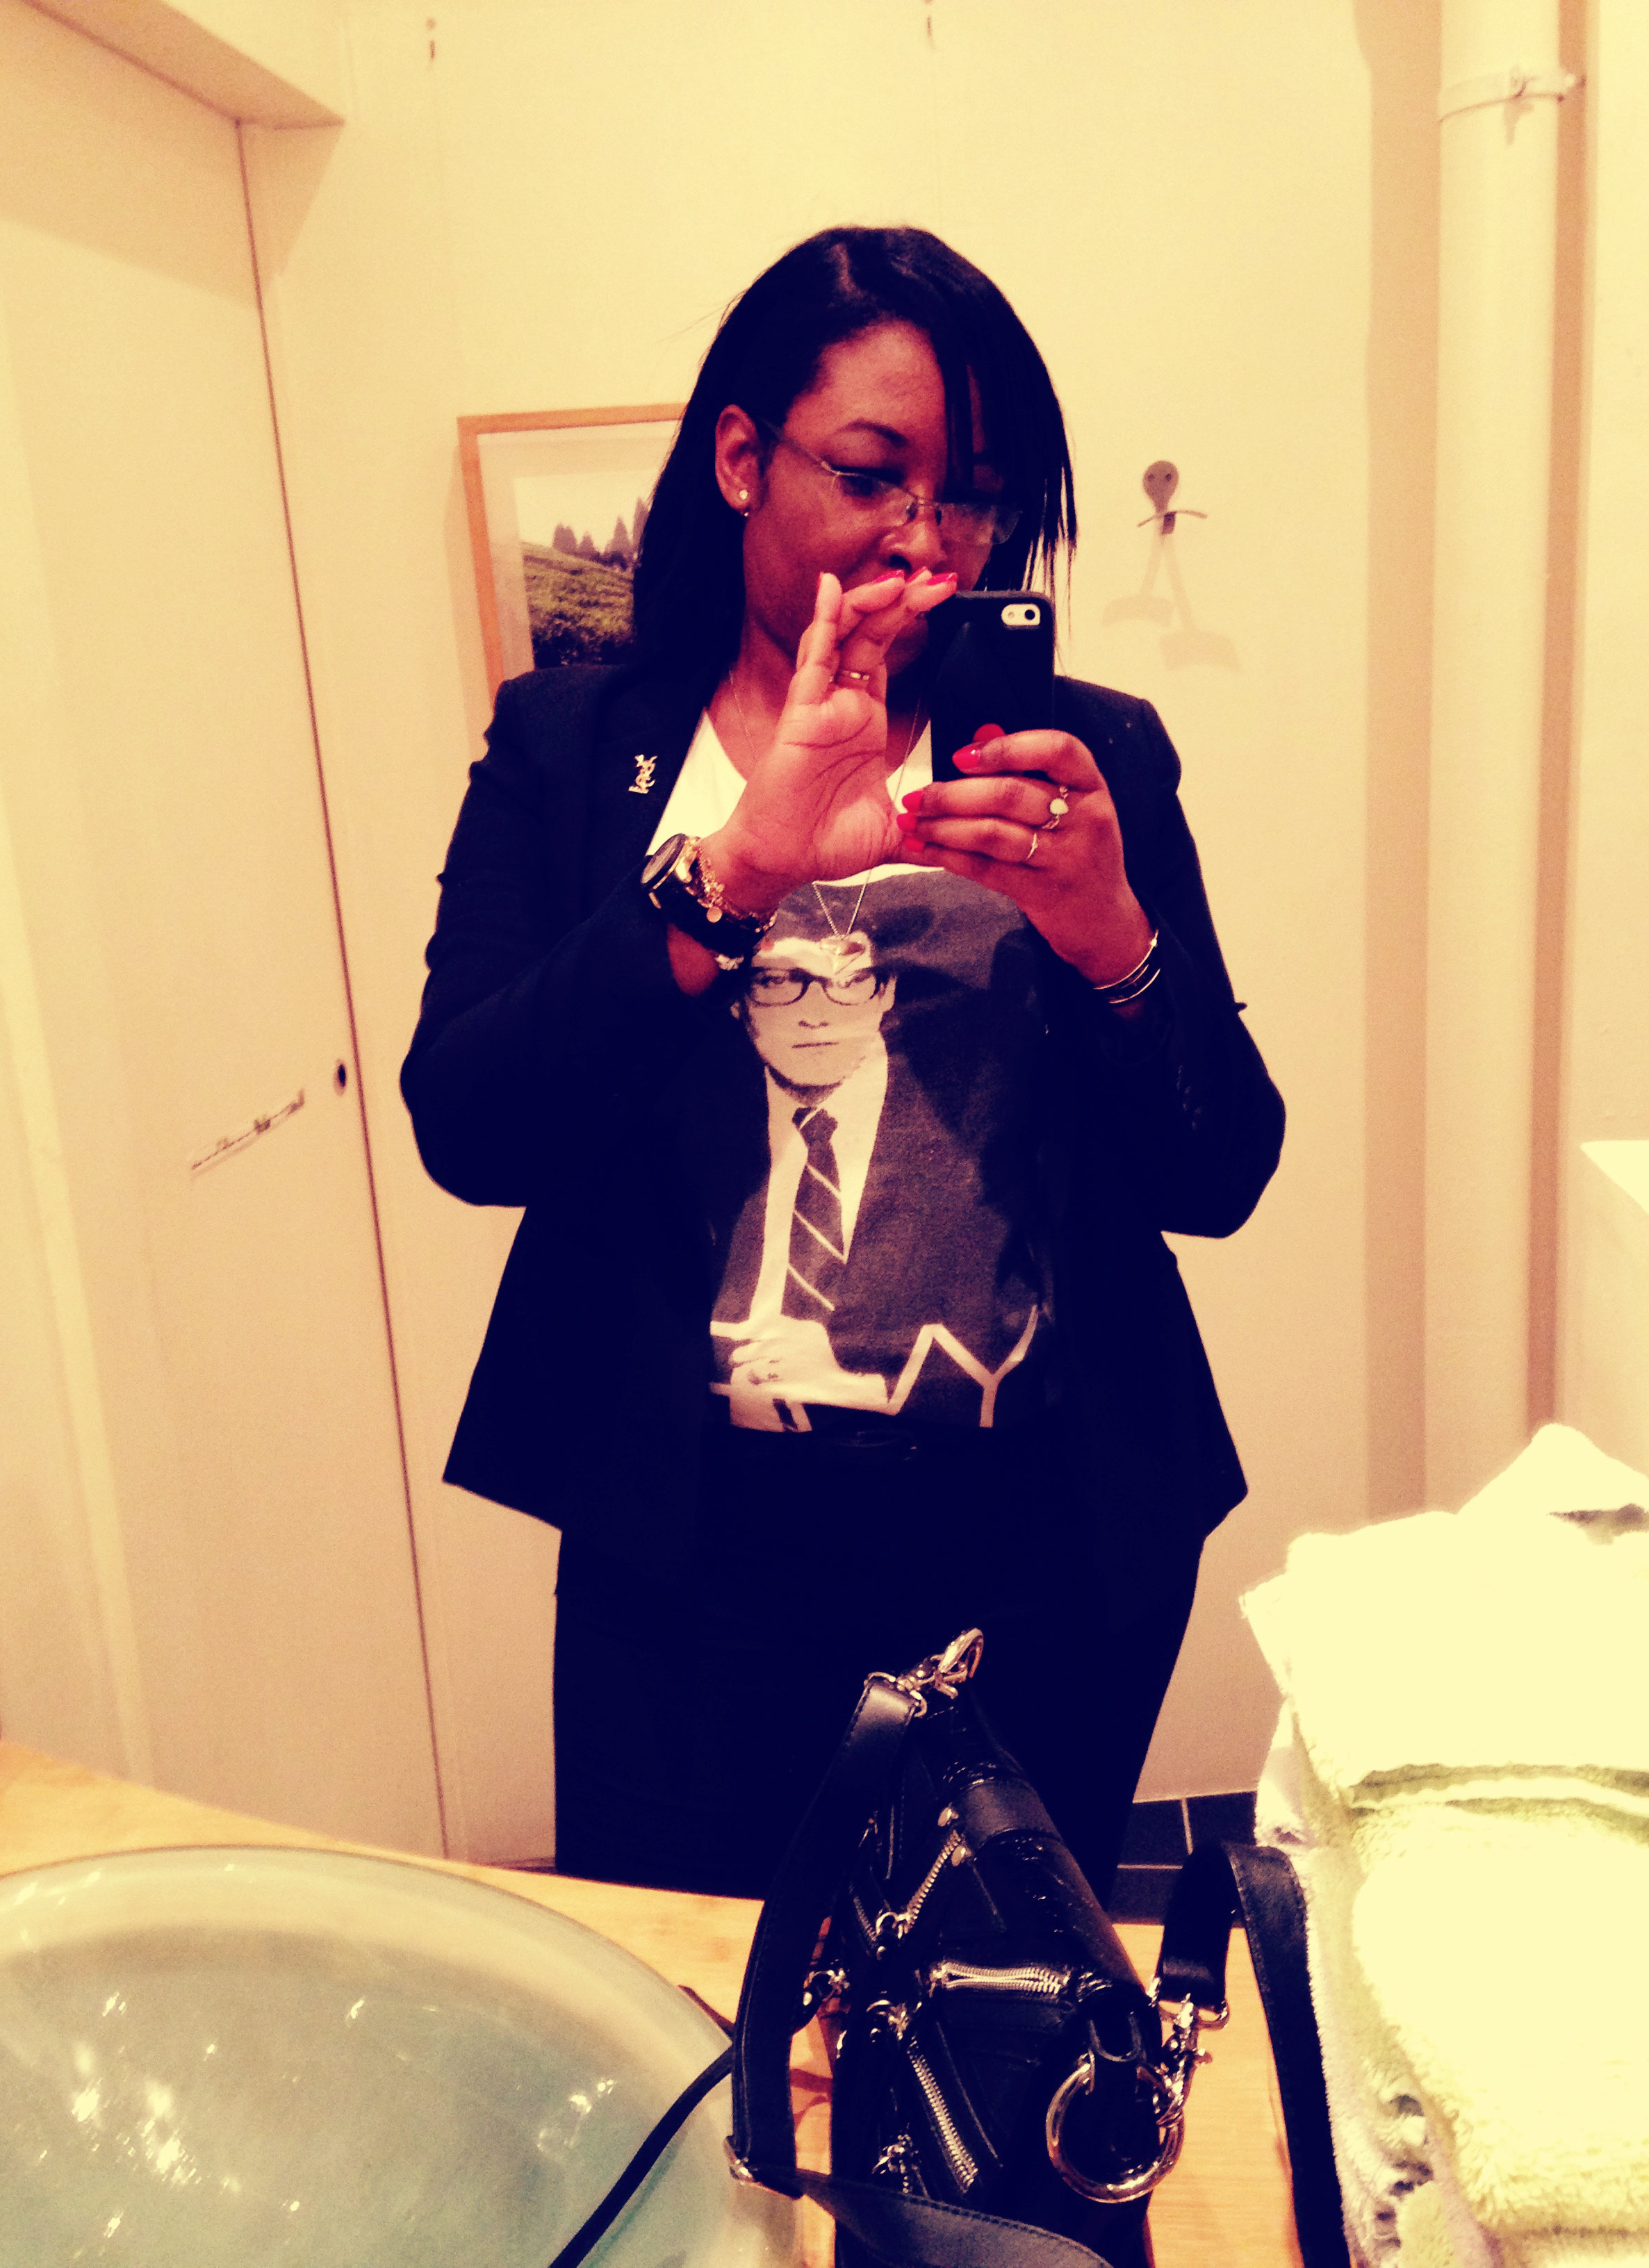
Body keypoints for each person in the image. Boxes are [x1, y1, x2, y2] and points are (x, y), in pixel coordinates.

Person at [402, 224, 1285, 1902]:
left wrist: (1111, 937)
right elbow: (470, 1123)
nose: (924, 540)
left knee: (1006, 1993)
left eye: (975, 498)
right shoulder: (573, 748)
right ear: (743, 458)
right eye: (873, 475)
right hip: (694, 1552)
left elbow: (1220, 1171)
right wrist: (736, 869)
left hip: (1041, 1545)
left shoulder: (1086, 757)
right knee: (693, 1995)